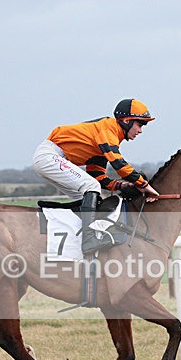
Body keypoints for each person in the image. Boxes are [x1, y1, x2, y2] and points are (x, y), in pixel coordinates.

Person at [33, 99, 160, 255]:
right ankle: (89, 240)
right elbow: (119, 164)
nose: (140, 130)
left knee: (90, 195)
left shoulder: (108, 138)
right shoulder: (108, 128)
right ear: (127, 121)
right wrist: (144, 184)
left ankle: (77, 238)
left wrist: (123, 186)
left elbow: (98, 176)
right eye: (140, 125)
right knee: (91, 187)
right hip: (49, 156)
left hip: (54, 159)